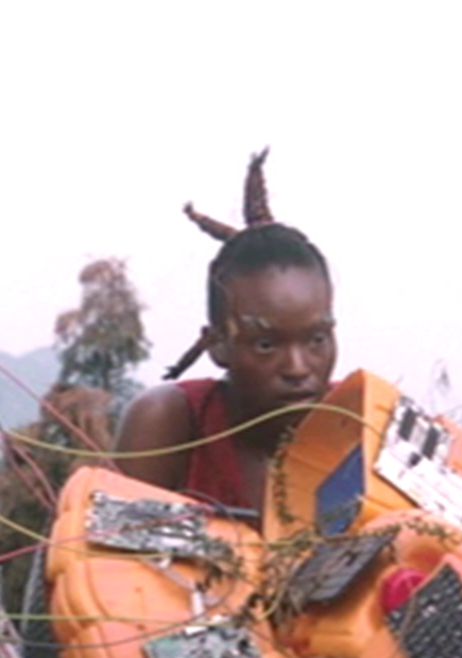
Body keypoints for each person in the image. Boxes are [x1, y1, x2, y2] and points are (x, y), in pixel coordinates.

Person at [112, 187, 335, 517]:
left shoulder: (365, 425)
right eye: (265, 345)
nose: (298, 368)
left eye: (316, 339)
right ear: (217, 344)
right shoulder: (172, 424)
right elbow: (109, 557)